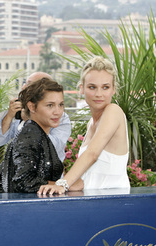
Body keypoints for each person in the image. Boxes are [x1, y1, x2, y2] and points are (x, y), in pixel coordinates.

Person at [38, 56, 130, 194]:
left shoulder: (113, 111)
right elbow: (92, 174)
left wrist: (63, 184)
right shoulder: (91, 124)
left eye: (105, 87)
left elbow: (92, 154)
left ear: (113, 89)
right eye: (92, 87)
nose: (99, 94)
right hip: (90, 200)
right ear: (82, 89)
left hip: (113, 202)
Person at [0, 78, 64, 193]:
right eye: (50, 105)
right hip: (17, 207)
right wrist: (63, 184)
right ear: (32, 107)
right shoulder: (30, 134)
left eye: (61, 105)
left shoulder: (37, 132)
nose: (57, 111)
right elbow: (24, 181)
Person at [0, 72, 71, 162]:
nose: (23, 87)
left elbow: (53, 147)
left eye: (29, 84)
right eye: (25, 83)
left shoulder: (61, 118)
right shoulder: (20, 112)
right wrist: (9, 116)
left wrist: (31, 120)